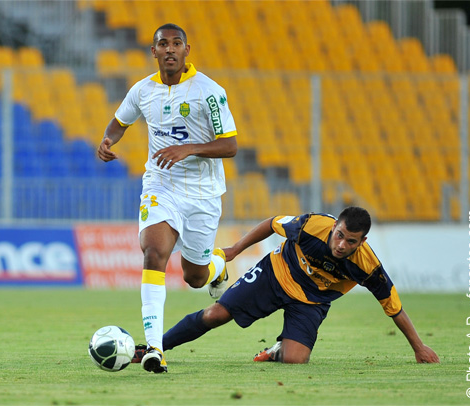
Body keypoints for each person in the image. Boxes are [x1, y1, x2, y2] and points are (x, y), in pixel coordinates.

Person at [97, 23, 238, 373]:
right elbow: (119, 122)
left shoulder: (209, 91)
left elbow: (230, 145)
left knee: (195, 277)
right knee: (153, 253)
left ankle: (218, 266)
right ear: (154, 51)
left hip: (203, 194)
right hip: (161, 185)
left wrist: (188, 148)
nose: (170, 49)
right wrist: (108, 140)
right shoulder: (143, 90)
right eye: (163, 44)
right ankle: (155, 348)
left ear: (187, 50)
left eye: (177, 43)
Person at [160, 207, 440, 364]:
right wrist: (234, 249)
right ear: (335, 226)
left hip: (312, 300)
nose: (342, 245)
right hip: (276, 273)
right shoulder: (312, 225)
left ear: (362, 242)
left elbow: (394, 307)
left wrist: (419, 347)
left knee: (295, 360)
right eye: (339, 235)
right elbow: (272, 223)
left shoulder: (367, 266)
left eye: (351, 241)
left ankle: (277, 350)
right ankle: (156, 347)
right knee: (215, 315)